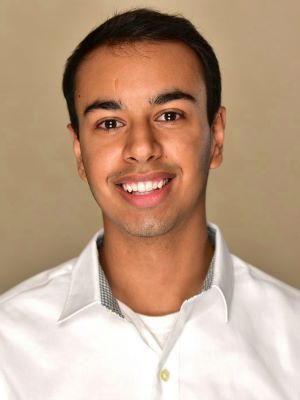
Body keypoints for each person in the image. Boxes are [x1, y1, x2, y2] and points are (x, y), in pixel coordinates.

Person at [0, 8, 299, 400]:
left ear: (217, 135)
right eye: (109, 123)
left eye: (169, 115)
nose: (141, 147)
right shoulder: (8, 348)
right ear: (78, 150)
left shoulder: (293, 338)